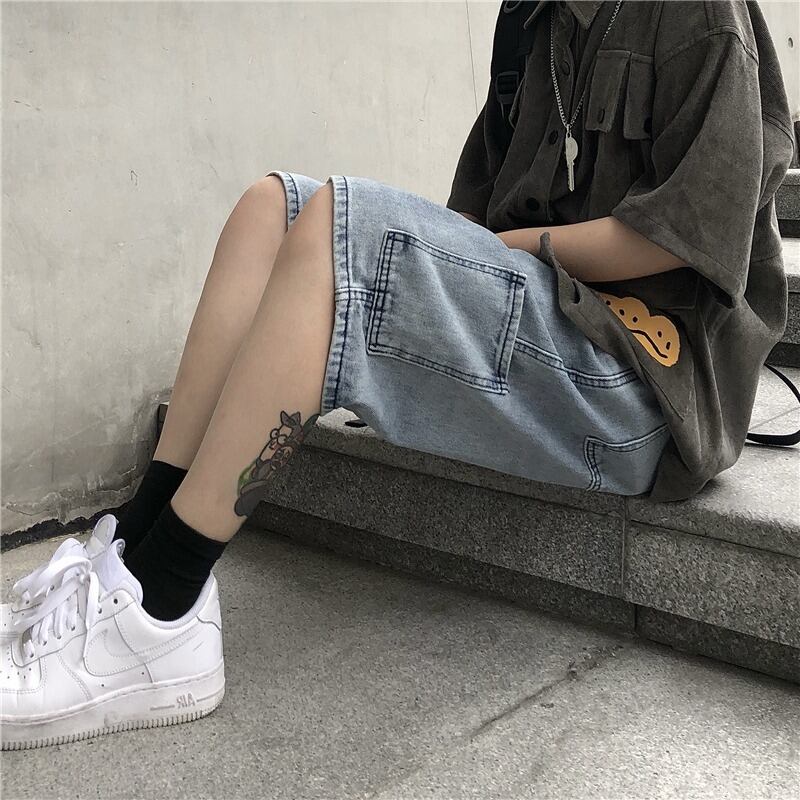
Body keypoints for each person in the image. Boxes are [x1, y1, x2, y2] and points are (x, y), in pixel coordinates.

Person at [0, 0, 794, 750]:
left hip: (643, 391)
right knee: (271, 207)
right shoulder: (531, 18)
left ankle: (161, 608)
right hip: (546, 341)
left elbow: (685, 238)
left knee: (342, 227)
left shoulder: (699, 12)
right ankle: (132, 547)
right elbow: (475, 215)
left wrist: (480, 259)